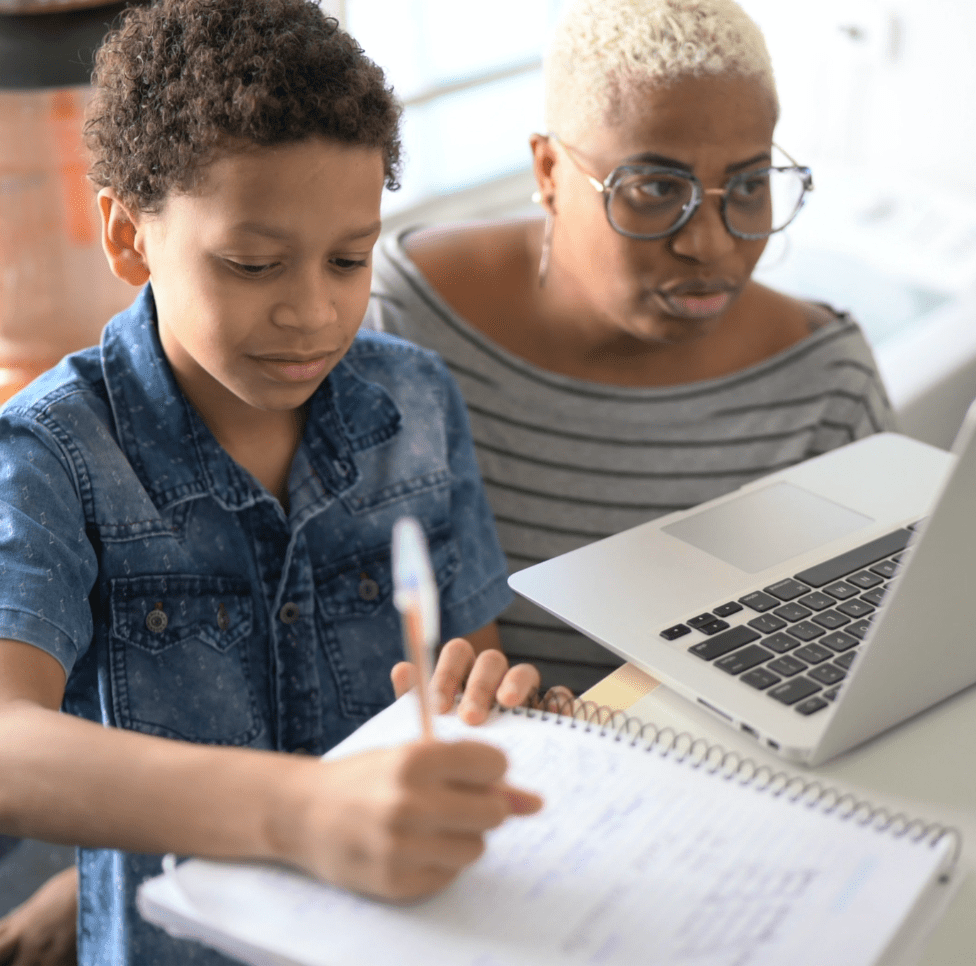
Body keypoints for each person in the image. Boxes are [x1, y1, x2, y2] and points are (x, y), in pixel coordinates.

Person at [0, 1, 548, 963]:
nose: (313, 311)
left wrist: (482, 697)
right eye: (253, 263)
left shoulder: (416, 401)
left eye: (349, 258)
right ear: (129, 236)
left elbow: (467, 660)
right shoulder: (50, 453)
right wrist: (302, 809)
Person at [364, 0, 896, 696]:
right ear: (550, 172)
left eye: (749, 185)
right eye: (654, 188)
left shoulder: (827, 383)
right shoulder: (405, 324)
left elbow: (886, 655)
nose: (708, 243)